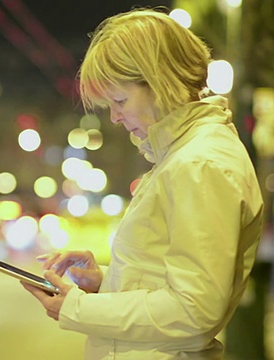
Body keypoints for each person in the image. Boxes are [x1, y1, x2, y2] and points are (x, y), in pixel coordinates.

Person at [20, 7, 264, 359]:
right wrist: (108, 281)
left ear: (161, 82)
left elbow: (193, 312)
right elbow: (172, 283)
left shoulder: (199, 164)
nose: (116, 117)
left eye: (120, 100)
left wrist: (75, 308)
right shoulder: (183, 156)